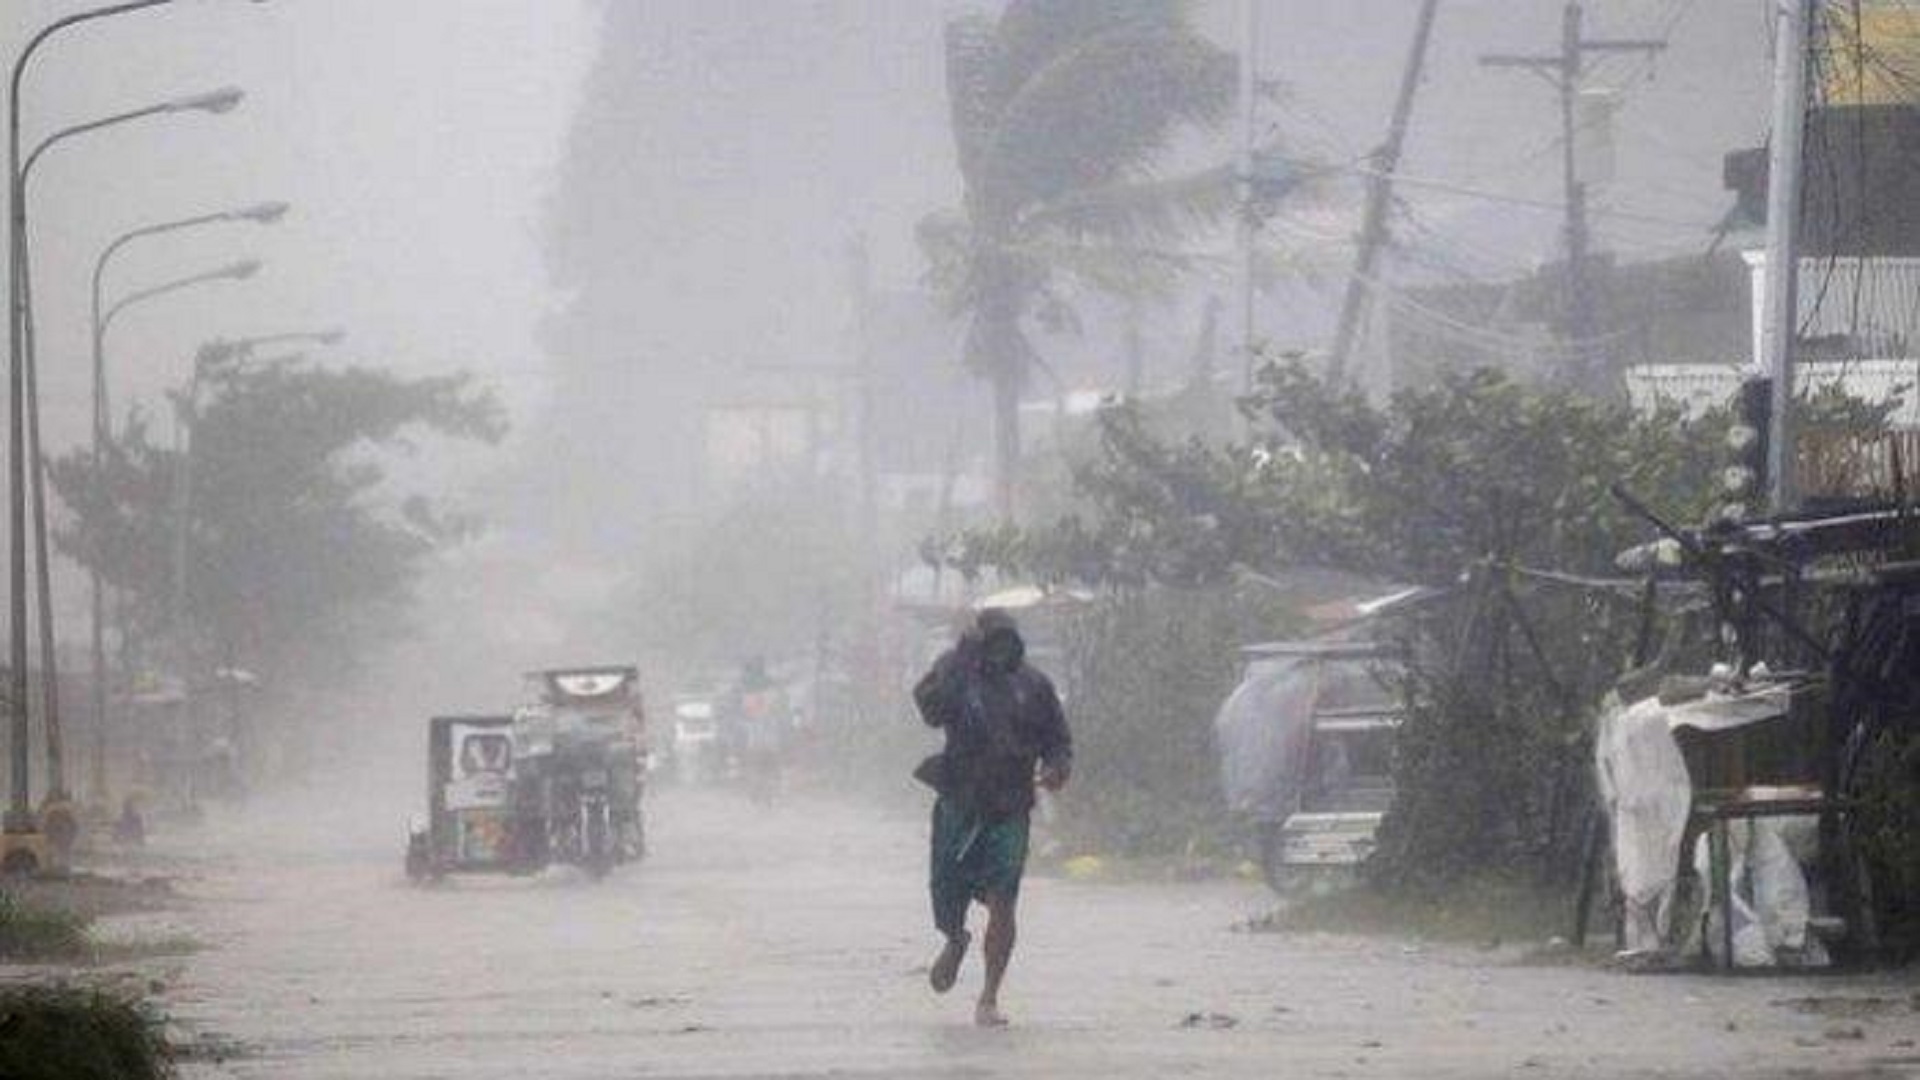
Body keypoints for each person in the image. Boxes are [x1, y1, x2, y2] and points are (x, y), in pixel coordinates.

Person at [912, 609, 1072, 1027]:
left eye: (1008, 642)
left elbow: (1058, 739)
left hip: (1010, 807)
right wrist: (959, 661)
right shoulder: (957, 673)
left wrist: (1056, 768)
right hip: (959, 802)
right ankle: (954, 936)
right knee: (946, 888)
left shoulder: (1035, 686)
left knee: (1004, 900)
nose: (1001, 651)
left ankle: (989, 996)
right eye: (992, 642)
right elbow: (929, 708)